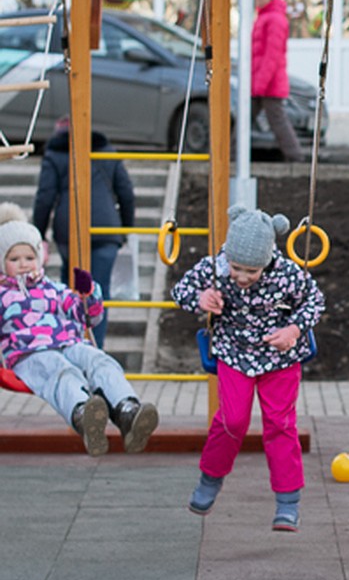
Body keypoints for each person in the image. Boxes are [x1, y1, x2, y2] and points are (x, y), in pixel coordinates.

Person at [172, 206, 324, 531]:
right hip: (234, 353)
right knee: (232, 420)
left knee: (280, 424)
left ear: (267, 259)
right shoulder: (215, 267)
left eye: (251, 271)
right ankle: (210, 480)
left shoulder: (287, 274)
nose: (241, 277)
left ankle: (288, 502)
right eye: (236, 267)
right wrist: (201, 299)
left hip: (279, 357)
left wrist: (293, 331)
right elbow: (179, 292)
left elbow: (315, 302)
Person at [0, 202, 158, 456]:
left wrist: (88, 294)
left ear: (39, 258)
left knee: (98, 360)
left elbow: (86, 317)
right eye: (14, 259)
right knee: (60, 369)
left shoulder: (54, 288)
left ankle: (127, 410)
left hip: (69, 343)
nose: (23, 264)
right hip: (29, 353)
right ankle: (84, 414)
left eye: (29, 257)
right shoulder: (2, 295)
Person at [32, 116, 136, 350]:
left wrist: (39, 236)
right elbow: (127, 194)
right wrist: (126, 230)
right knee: (98, 293)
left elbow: (45, 198)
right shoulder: (107, 152)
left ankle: (73, 346)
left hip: (70, 230)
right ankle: (95, 349)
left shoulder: (55, 155)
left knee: (72, 290)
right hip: (107, 231)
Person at [251, 0, 304, 163]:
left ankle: (295, 156)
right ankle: (230, 152)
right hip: (262, 82)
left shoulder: (274, 19)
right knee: (253, 118)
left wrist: (260, 84)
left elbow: (271, 56)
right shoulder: (265, 17)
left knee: (277, 120)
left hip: (268, 84)